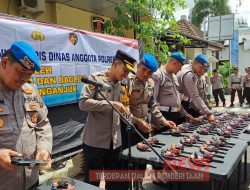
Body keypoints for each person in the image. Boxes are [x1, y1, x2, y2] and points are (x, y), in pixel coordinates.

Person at [79, 50, 136, 189]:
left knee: (116, 183)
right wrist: (110, 105)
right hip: (95, 143)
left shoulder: (123, 85)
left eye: (128, 73)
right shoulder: (96, 79)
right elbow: (83, 103)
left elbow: (124, 107)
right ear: (115, 64)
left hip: (115, 143)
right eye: (125, 70)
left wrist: (128, 114)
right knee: (92, 183)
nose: (126, 75)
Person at [0, 41, 52, 190]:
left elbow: (43, 124)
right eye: (21, 73)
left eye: (29, 75)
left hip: (31, 180)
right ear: (4, 62)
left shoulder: (30, 90)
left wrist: (44, 149)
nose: (24, 79)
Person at [120, 53, 176, 189]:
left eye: (149, 72)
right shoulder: (127, 81)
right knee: (128, 161)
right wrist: (137, 122)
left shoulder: (150, 82)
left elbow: (153, 104)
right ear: (138, 66)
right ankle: (130, 186)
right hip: (129, 127)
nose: (146, 74)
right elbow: (123, 108)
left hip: (144, 127)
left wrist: (163, 121)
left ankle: (139, 185)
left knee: (143, 160)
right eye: (143, 69)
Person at [153, 52, 196, 126]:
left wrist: (185, 114)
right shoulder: (159, 75)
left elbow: (177, 100)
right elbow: (153, 100)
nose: (179, 70)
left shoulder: (173, 76)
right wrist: (159, 119)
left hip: (175, 115)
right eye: (179, 67)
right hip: (164, 116)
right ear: (174, 63)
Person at [176, 54, 215, 122]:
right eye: (201, 68)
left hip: (184, 103)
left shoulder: (191, 70)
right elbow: (195, 95)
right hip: (180, 103)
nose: (202, 71)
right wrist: (208, 113)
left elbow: (200, 93)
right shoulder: (189, 75)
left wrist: (204, 109)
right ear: (194, 63)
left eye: (204, 69)